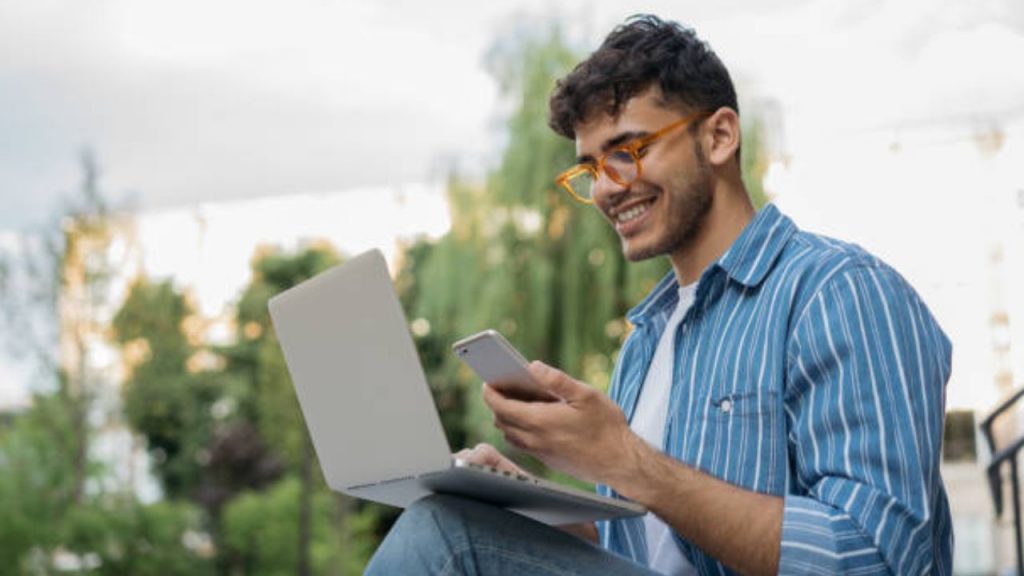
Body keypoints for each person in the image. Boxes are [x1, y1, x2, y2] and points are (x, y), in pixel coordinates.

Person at [366, 14, 952, 576]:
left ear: (720, 135)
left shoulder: (838, 291)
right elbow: (647, 552)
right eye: (590, 168)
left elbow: (876, 558)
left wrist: (625, 459)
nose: (604, 189)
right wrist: (529, 508)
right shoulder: (648, 339)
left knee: (444, 534)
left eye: (628, 151)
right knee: (459, 519)